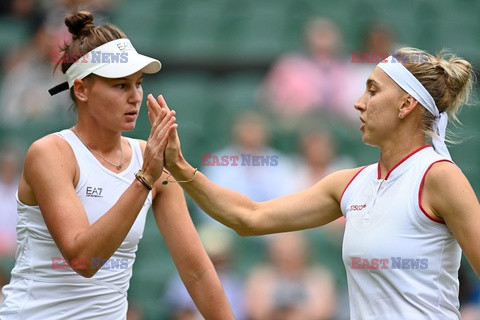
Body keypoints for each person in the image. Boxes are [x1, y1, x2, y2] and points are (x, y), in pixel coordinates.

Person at [161, 47, 479, 319]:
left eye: (372, 90)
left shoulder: (439, 176)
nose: (359, 102)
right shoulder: (349, 184)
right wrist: (179, 166)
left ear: (406, 105)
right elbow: (249, 217)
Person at [0, 11, 233, 319]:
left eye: (137, 84)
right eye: (120, 86)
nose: (135, 97)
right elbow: (84, 260)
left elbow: (197, 272)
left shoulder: (151, 163)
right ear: (82, 90)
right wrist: (144, 180)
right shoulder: (50, 153)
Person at [244, 231, 337, 320]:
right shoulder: (260, 277)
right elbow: (256, 312)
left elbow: (323, 313)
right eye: (282, 251)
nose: (287, 255)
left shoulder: (319, 278)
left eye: (293, 250)